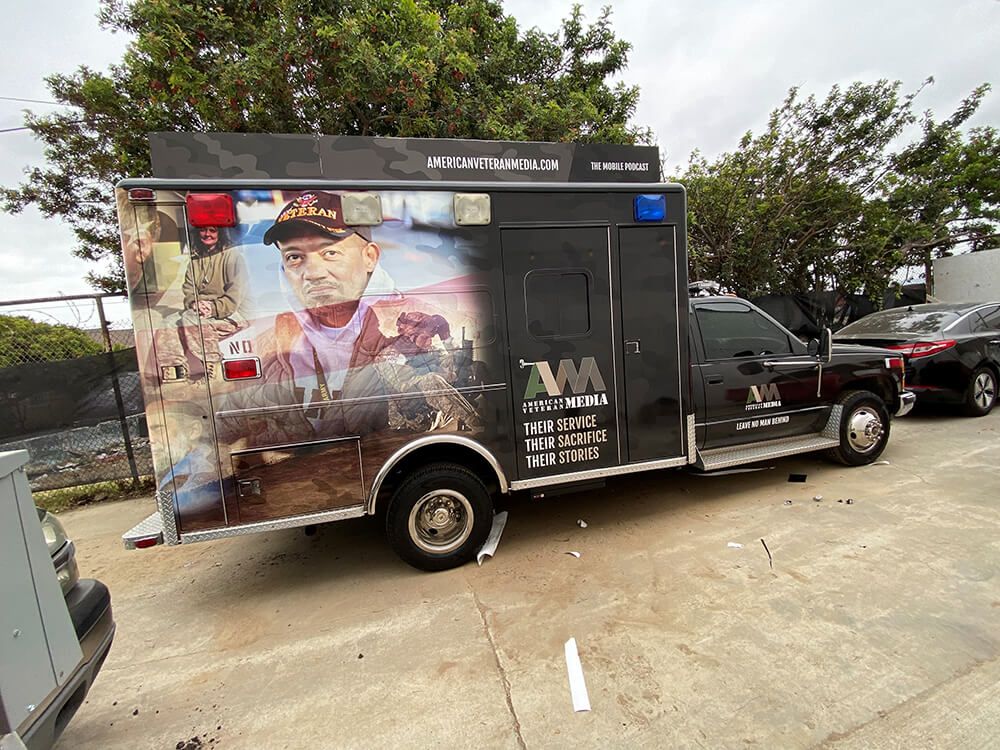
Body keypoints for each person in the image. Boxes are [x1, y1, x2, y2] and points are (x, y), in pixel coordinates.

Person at [218, 190, 480, 447]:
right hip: (304, 484)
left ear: (369, 257)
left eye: (329, 252)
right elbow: (226, 420)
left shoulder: (419, 326)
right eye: (294, 257)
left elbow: (451, 409)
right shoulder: (274, 343)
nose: (313, 273)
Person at [159, 225, 248, 381]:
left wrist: (213, 308)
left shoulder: (232, 256)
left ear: (220, 233)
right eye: (203, 230)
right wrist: (195, 302)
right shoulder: (195, 259)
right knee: (168, 322)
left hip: (231, 313)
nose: (207, 234)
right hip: (199, 310)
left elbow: (236, 295)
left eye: (213, 230)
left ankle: (215, 367)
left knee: (190, 318)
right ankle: (175, 372)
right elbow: (188, 288)